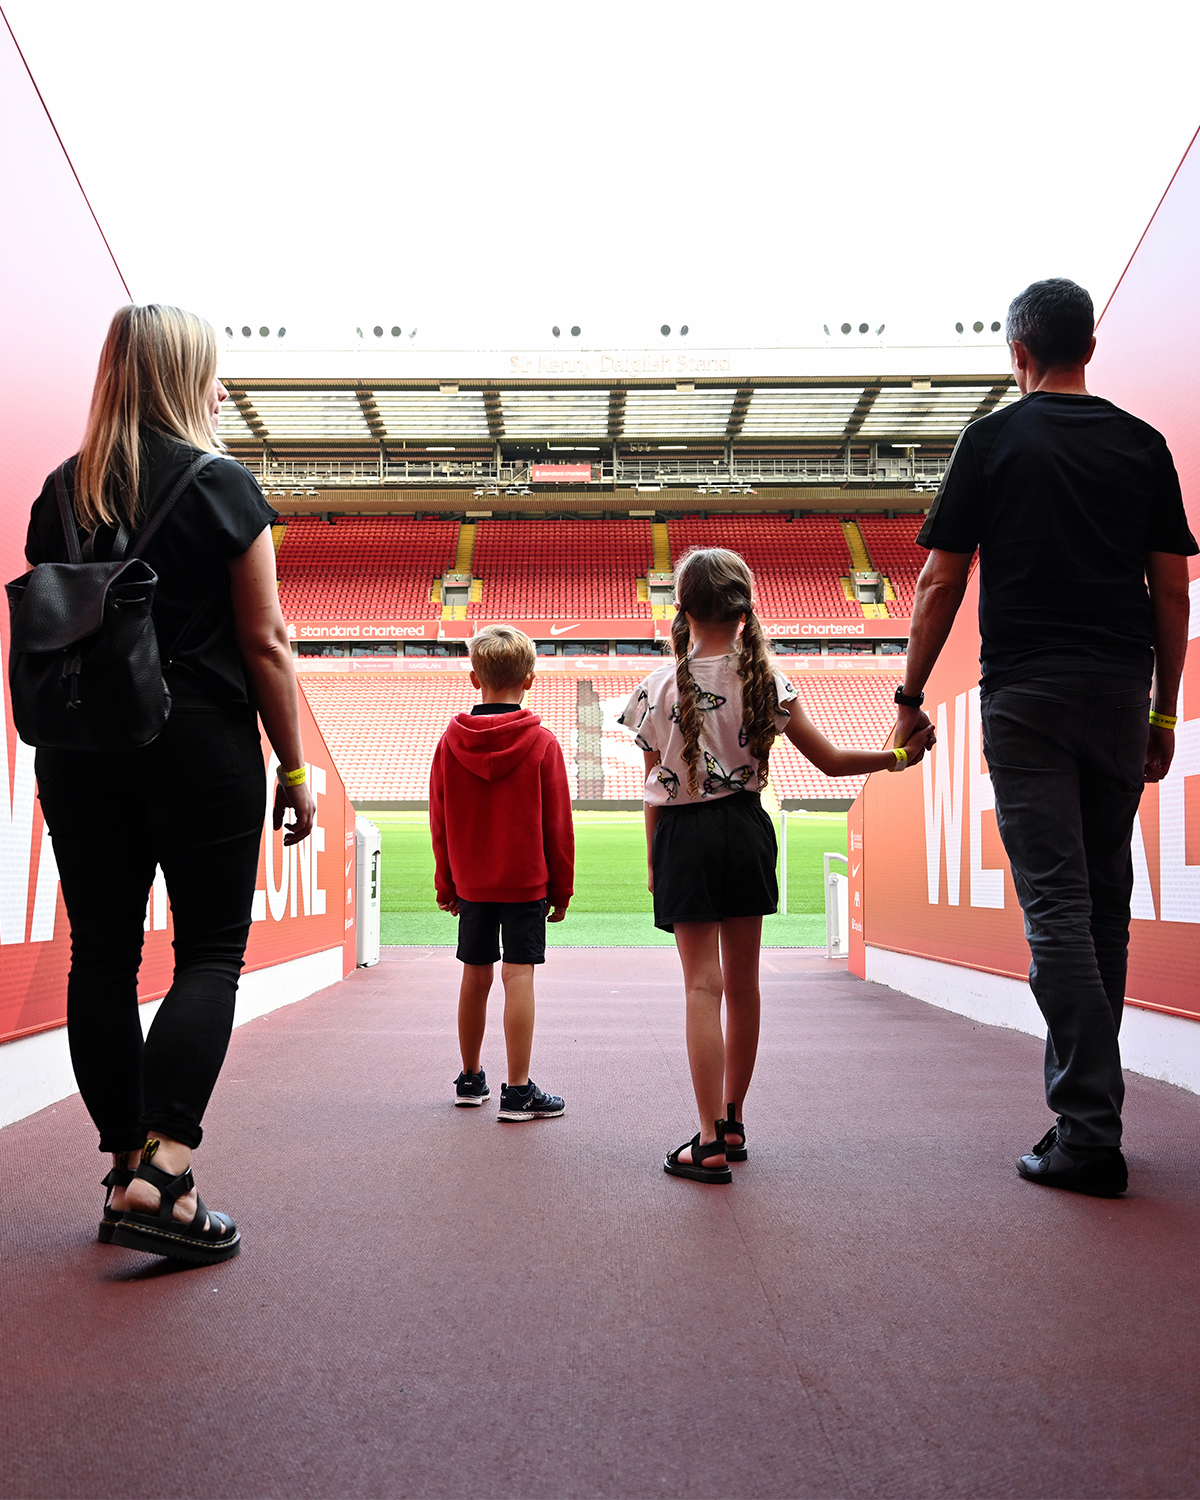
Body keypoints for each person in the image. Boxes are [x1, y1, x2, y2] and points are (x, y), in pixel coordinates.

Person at [27, 304, 315, 1264]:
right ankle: (166, 1175)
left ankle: (123, 1169)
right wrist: (296, 765)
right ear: (188, 377)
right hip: (199, 746)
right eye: (215, 371)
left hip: (81, 751)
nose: (222, 385)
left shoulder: (59, 495)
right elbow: (265, 641)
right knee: (209, 955)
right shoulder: (223, 486)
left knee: (100, 959)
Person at [896, 277, 1196, 1198]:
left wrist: (909, 696)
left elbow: (941, 585)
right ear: (1090, 349)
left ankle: (1089, 1129)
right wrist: (1162, 710)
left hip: (1026, 693)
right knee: (1105, 897)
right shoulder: (1142, 444)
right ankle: (1091, 1116)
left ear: (1017, 354)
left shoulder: (991, 440)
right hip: (1117, 691)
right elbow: (1172, 592)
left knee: (1059, 906)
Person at [620, 547, 934, 1183]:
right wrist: (897, 758)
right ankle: (733, 1123)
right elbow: (833, 763)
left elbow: (654, 785)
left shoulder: (653, 691)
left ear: (680, 608)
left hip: (683, 837)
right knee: (743, 985)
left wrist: (655, 861)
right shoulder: (768, 680)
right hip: (747, 829)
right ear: (744, 609)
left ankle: (706, 1140)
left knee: (701, 987)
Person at [429, 624, 574, 1120]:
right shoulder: (542, 743)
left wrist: (446, 883)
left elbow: (440, 820)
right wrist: (562, 887)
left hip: (472, 881)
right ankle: (517, 1091)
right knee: (519, 977)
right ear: (529, 679)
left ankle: (470, 1079)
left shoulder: (449, 743)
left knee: (475, 977)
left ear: (475, 679)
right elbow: (558, 824)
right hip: (526, 880)